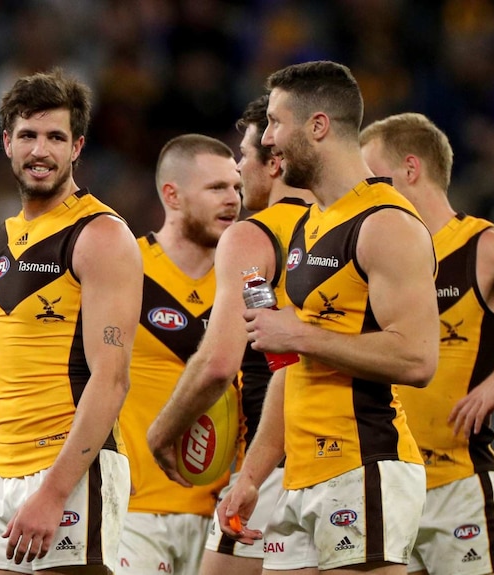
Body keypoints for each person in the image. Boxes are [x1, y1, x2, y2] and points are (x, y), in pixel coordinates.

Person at [217, 60, 441, 574]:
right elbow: (289, 363)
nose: (268, 139)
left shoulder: (387, 223)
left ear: (317, 126)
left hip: (363, 466)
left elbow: (416, 357)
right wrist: (252, 473)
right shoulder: (314, 222)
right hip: (299, 476)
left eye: (275, 122)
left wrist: (302, 334)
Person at [0, 69, 143, 575]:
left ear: (78, 146)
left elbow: (111, 379)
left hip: (70, 472)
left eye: (55, 137)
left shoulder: (102, 235)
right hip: (1, 471)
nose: (39, 150)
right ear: (6, 143)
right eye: (27, 135)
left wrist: (53, 493)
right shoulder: (1, 237)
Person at [147, 94, 313, 575]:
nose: (240, 174)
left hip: (279, 465)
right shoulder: (345, 227)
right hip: (356, 451)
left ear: (275, 159)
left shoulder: (253, 236)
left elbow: (219, 364)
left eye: (243, 157)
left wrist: (162, 433)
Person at [361, 112, 494, 575]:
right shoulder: (378, 260)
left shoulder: (489, 248)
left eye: (375, 177)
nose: (367, 191)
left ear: (410, 169)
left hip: (458, 481)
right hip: (389, 483)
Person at [116, 133, 243, 574]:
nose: (233, 200)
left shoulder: (251, 281)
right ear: (172, 194)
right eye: (216, 188)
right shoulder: (125, 268)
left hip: (227, 516)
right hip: (134, 511)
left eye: (236, 187)